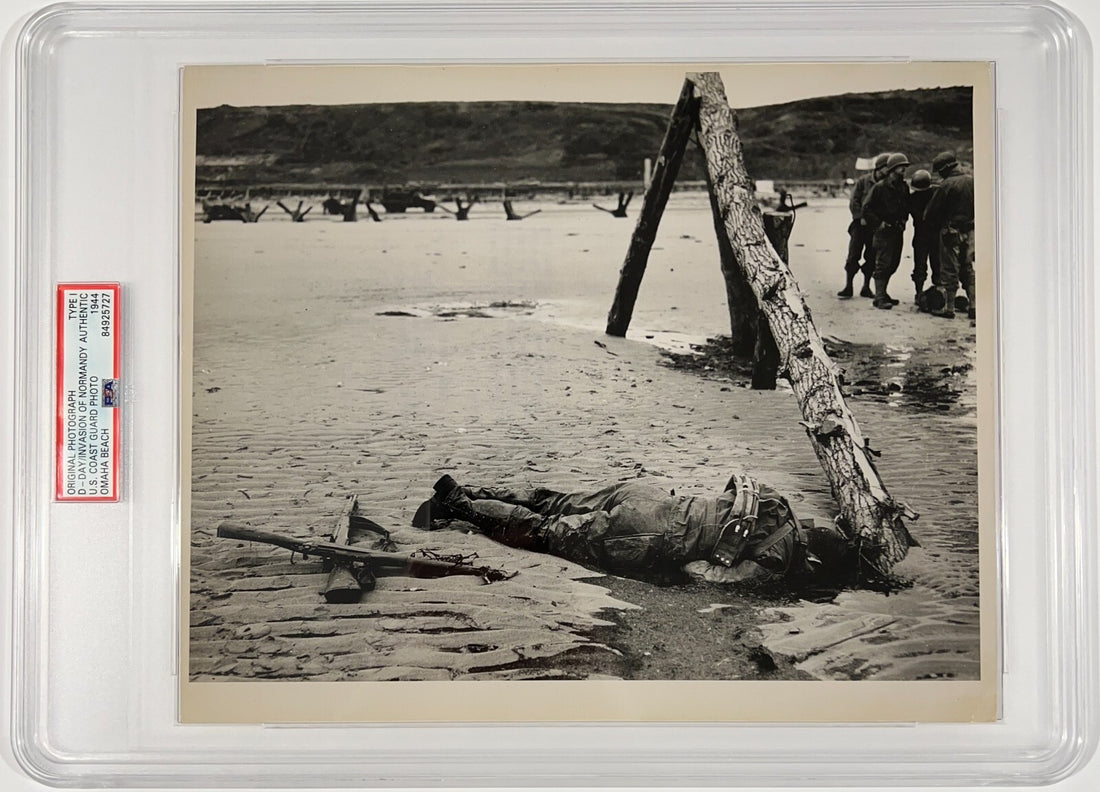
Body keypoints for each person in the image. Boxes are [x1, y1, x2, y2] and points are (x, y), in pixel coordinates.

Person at [414, 474, 854, 587]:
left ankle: (478, 489)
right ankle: (460, 503)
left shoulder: (777, 503)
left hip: (650, 496)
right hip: (646, 534)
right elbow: (706, 577)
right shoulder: (778, 560)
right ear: (811, 558)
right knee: (546, 532)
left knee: (557, 501)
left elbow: (729, 492)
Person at [922, 151, 976, 320]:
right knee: (968, 268)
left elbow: (929, 214)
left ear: (945, 169)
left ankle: (949, 307)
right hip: (971, 231)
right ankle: (974, 305)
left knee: (949, 269)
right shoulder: (973, 181)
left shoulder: (946, 185)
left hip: (951, 231)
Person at [861, 152, 912, 310]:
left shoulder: (903, 187)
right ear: (892, 169)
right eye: (900, 168)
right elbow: (866, 208)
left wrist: (904, 220)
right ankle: (879, 297)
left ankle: (882, 293)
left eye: (904, 167)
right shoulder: (880, 187)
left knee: (893, 263)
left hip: (897, 230)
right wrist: (879, 224)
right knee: (882, 264)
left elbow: (906, 206)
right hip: (883, 232)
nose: (904, 170)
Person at [838, 152, 890, 299]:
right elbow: (854, 201)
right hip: (860, 226)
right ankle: (848, 286)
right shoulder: (863, 181)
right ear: (879, 168)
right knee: (853, 255)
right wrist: (860, 217)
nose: (889, 171)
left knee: (872, 257)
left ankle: (866, 287)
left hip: (875, 226)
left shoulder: (886, 184)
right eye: (887, 168)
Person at [907, 169, 941, 305]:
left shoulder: (912, 198)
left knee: (921, 265)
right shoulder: (936, 194)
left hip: (922, 234)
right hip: (934, 234)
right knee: (936, 264)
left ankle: (919, 292)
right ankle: (938, 291)